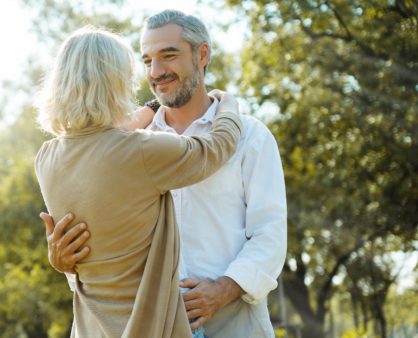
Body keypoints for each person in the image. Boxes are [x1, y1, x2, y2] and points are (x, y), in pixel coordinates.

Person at [41, 10, 287, 338]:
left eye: (168, 56)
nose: (156, 72)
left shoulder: (251, 137)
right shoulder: (124, 146)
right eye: (146, 61)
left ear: (202, 54)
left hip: (232, 324)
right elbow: (96, 246)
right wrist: (66, 264)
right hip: (145, 327)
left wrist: (224, 290)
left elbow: (270, 235)